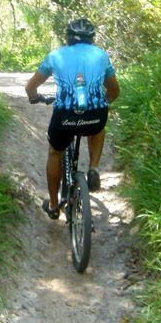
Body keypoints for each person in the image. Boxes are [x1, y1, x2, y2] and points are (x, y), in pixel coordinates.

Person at [25, 18, 120, 219]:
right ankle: (93, 168)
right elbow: (114, 89)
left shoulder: (55, 55)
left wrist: (35, 98)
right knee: (98, 127)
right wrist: (105, 101)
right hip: (95, 116)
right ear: (91, 39)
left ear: (68, 38)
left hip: (65, 118)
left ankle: (52, 205)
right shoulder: (101, 55)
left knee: (55, 152)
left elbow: (30, 87)